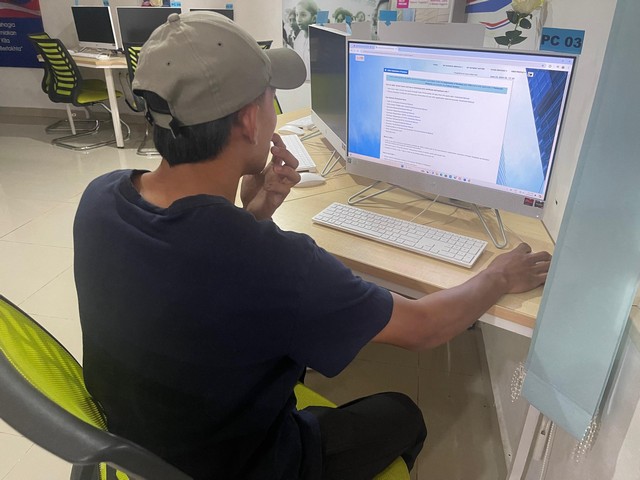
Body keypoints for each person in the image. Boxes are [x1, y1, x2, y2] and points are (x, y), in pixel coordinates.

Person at [73, 10, 552, 480]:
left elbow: (191, 272)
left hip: (137, 450)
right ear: (249, 121)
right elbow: (424, 329)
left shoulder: (100, 196)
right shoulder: (274, 262)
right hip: (244, 464)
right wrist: (497, 277)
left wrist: (254, 212)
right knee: (402, 414)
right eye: (271, 98)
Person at [293, 0, 318, 80]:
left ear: (314, 18)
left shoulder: (319, 40)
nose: (298, 19)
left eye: (303, 15)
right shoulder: (298, 40)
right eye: (297, 15)